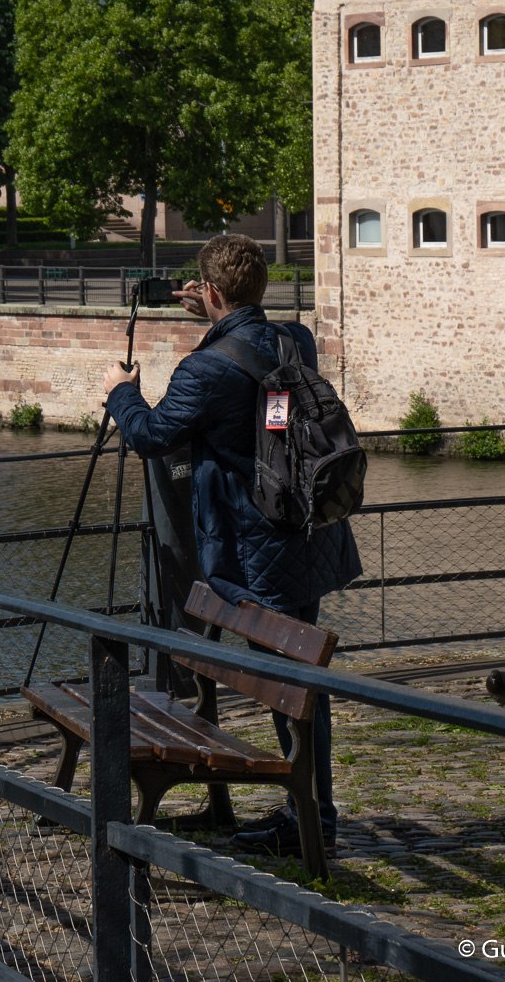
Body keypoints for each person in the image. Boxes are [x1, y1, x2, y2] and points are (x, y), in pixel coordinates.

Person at [102, 232, 362, 858]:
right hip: (306, 528)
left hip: (254, 545)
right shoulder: (292, 339)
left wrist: (120, 391)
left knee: (289, 682)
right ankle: (311, 810)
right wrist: (218, 315)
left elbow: (153, 434)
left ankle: (310, 817)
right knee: (296, 678)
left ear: (210, 289)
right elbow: (249, 382)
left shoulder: (206, 368)